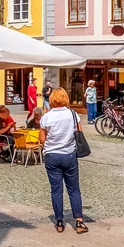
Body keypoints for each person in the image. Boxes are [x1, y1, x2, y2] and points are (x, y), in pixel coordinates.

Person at [38, 88, 88, 234]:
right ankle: (79, 221)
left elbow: (42, 139)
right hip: (69, 155)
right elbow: (79, 132)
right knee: (74, 189)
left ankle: (59, 221)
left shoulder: (46, 117)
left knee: (56, 190)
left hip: (52, 156)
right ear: (65, 98)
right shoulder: (73, 114)